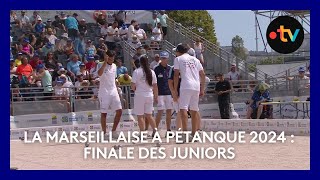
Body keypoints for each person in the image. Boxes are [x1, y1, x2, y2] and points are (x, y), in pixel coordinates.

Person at [173, 43, 205, 138]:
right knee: (194, 110)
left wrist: (175, 90)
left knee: (183, 109)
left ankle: (185, 133)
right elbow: (203, 74)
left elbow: (176, 75)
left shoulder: (178, 59)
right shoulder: (195, 60)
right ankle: (194, 133)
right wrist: (202, 88)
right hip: (196, 85)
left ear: (179, 51)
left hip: (186, 85)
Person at [97, 50, 123, 138]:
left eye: (112, 59)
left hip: (113, 91)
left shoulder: (115, 66)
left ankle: (114, 131)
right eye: (110, 58)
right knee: (104, 113)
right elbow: (99, 74)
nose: (111, 60)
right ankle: (104, 133)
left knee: (119, 111)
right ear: (106, 57)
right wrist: (105, 62)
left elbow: (114, 78)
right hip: (104, 92)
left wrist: (117, 87)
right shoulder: (100, 64)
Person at [131, 55, 158, 136]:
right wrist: (156, 96)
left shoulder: (137, 71)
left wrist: (135, 90)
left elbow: (133, 85)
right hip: (149, 94)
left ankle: (143, 133)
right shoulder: (152, 72)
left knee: (140, 116)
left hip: (140, 95)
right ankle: (155, 130)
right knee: (149, 115)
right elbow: (155, 86)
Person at [154, 51, 173, 134]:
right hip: (160, 93)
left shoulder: (170, 68)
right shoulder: (156, 69)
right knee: (160, 111)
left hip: (169, 93)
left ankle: (168, 130)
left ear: (168, 58)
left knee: (169, 111)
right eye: (162, 58)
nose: (163, 60)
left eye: (165, 58)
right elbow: (154, 83)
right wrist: (155, 94)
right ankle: (155, 130)